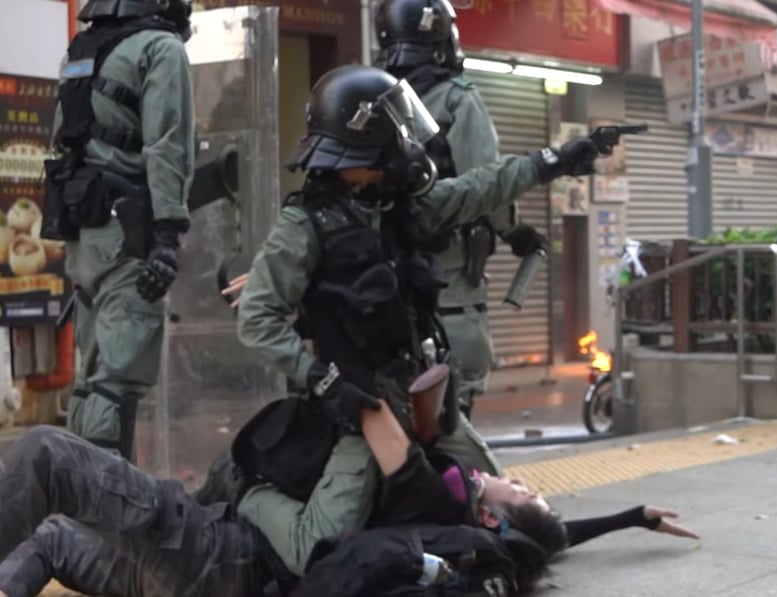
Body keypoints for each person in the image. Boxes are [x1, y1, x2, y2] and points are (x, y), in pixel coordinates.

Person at [231, 62, 600, 576]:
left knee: (517, 521)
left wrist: (551, 162)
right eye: (392, 134)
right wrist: (324, 381)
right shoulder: (304, 228)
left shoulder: (398, 208)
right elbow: (258, 320)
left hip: (425, 399)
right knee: (312, 549)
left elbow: (478, 188)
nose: (404, 146)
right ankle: (250, 497)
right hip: (364, 412)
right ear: (359, 147)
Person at [0, 412, 696, 597]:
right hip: (212, 568)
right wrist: (632, 514)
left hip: (218, 554)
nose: (518, 479)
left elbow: (367, 406)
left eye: (524, 491)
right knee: (56, 537)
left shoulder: (428, 491)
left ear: (492, 515)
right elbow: (552, 537)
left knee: (46, 456)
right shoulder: (469, 527)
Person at [373, 0, 550, 419]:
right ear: (441, 39)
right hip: (450, 271)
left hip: (382, 268)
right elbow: (487, 185)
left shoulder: (373, 96)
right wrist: (514, 231)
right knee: (453, 393)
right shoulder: (457, 99)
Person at [40, 0, 196, 461]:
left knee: (91, 383)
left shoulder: (81, 50)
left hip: (84, 232)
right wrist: (167, 235)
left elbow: (63, 140)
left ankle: (74, 500)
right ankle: (104, 520)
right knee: (117, 383)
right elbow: (169, 147)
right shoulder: (160, 48)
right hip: (129, 231)